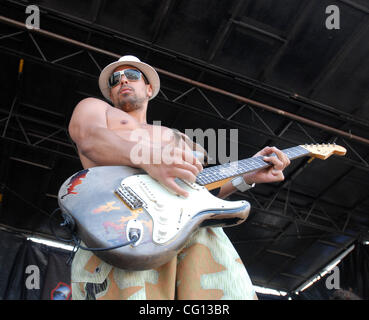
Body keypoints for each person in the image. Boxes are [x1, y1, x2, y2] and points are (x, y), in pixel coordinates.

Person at [68, 55, 291, 300]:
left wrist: (246, 176)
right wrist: (150, 158)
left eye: (132, 75)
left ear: (149, 88)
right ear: (110, 94)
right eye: (115, 79)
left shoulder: (176, 138)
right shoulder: (94, 108)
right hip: (122, 232)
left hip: (192, 235)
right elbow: (90, 139)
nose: (123, 81)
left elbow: (198, 192)